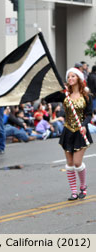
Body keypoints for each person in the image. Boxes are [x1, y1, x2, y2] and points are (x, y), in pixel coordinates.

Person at [45, 67, 93, 200]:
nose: (70, 79)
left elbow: (89, 115)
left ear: (79, 78)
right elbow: (47, 98)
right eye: (69, 77)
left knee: (77, 162)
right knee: (69, 163)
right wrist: (59, 89)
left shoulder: (86, 96)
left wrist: (84, 125)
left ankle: (82, 186)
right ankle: (73, 191)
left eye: (73, 76)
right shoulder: (64, 95)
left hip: (80, 132)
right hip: (68, 131)